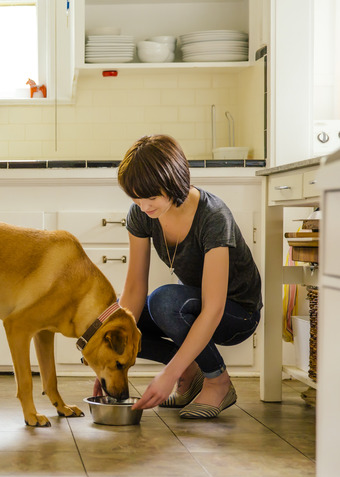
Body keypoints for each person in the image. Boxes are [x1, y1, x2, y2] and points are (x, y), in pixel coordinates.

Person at [103, 134, 262, 419]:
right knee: (115, 323)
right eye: (136, 199)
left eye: (151, 197)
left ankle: (218, 382)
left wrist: (167, 374)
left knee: (164, 302)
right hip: (189, 307)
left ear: (174, 182)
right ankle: (190, 371)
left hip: (236, 313)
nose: (144, 207)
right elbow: (135, 289)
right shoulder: (141, 214)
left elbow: (213, 308)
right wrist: (111, 361)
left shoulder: (213, 216)